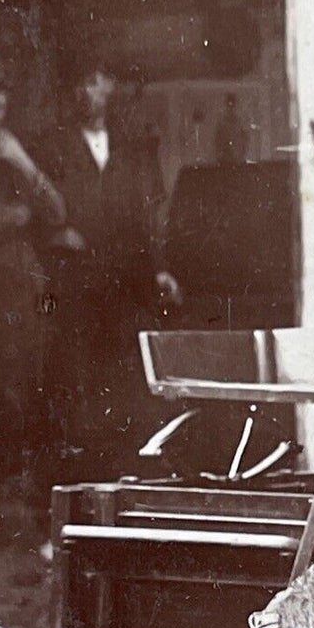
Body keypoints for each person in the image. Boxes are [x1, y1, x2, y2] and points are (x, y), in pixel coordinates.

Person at [40, 59, 181, 480]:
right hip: (79, 285)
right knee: (81, 387)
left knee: (129, 381)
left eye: (97, 80)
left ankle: (131, 478)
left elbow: (150, 213)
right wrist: (59, 235)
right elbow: (43, 210)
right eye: (82, 81)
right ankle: (88, 481)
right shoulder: (56, 146)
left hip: (126, 281)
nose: (89, 90)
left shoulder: (132, 145)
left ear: (110, 86)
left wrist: (158, 270)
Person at [0, 63, 66, 507]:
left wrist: (18, 159)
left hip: (24, 279)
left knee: (33, 381)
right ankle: (2, 495)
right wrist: (23, 213)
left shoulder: (11, 147)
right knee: (2, 385)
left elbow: (55, 211)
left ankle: (26, 495)